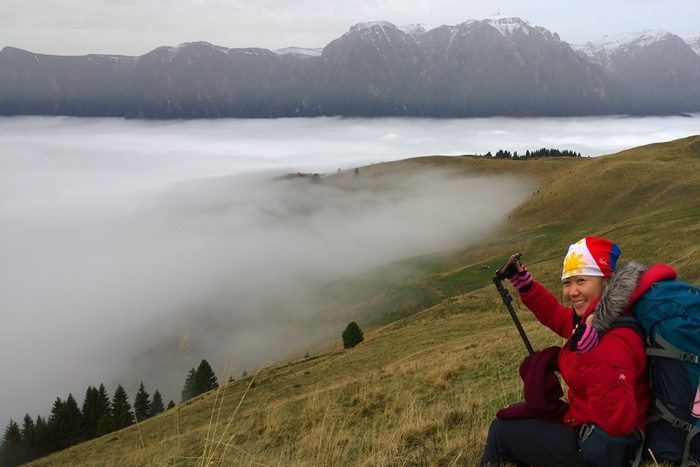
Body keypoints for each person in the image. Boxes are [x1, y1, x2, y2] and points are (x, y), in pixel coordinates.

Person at [481, 237, 677, 467]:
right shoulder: (597, 320)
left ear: (606, 281)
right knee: (516, 413)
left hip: (602, 449)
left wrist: (593, 354)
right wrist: (527, 287)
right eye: (567, 282)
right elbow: (559, 317)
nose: (572, 291)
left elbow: (619, 421)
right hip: (592, 432)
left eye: (581, 281)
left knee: (501, 429)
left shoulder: (615, 336)